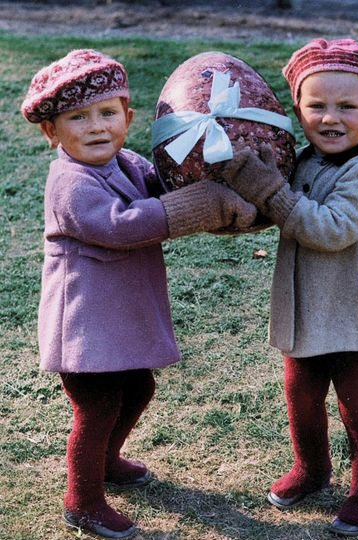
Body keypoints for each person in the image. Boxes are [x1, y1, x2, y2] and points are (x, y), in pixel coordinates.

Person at [21, 49, 256, 539]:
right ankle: (82, 500)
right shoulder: (71, 181)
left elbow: (163, 188)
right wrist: (197, 207)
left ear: (127, 118)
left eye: (107, 113)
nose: (95, 127)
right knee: (97, 405)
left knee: (139, 387)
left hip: (118, 315)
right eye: (77, 118)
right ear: (53, 132)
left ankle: (106, 462)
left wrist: (207, 172)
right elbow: (119, 226)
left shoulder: (126, 162)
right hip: (84, 324)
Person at [222, 38, 358, 537]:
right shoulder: (301, 161)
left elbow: (328, 229)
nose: (330, 117)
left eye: (348, 106)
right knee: (301, 394)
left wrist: (269, 189)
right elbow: (271, 207)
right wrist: (237, 186)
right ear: (297, 112)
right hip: (304, 312)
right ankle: (312, 469)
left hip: (356, 315)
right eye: (315, 105)